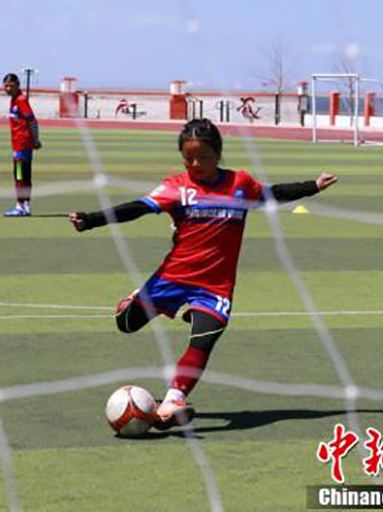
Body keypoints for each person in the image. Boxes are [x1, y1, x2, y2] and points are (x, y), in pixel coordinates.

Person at [68, 118, 339, 430]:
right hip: (172, 277)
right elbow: (137, 208)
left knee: (204, 339)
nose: (196, 164)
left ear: (219, 153)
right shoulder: (176, 186)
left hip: (215, 286)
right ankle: (133, 301)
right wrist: (91, 220)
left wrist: (312, 187)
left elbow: (272, 193)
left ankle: (173, 399)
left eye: (204, 157)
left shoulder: (240, 184)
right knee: (125, 323)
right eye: (188, 158)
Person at [3, 73, 41, 217]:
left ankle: (20, 206)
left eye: (11, 86)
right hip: (20, 145)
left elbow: (32, 120)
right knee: (24, 176)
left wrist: (35, 140)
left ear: (17, 85)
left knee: (19, 176)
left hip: (22, 146)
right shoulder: (14, 99)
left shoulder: (20, 100)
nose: (7, 89)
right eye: (5, 86)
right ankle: (26, 206)